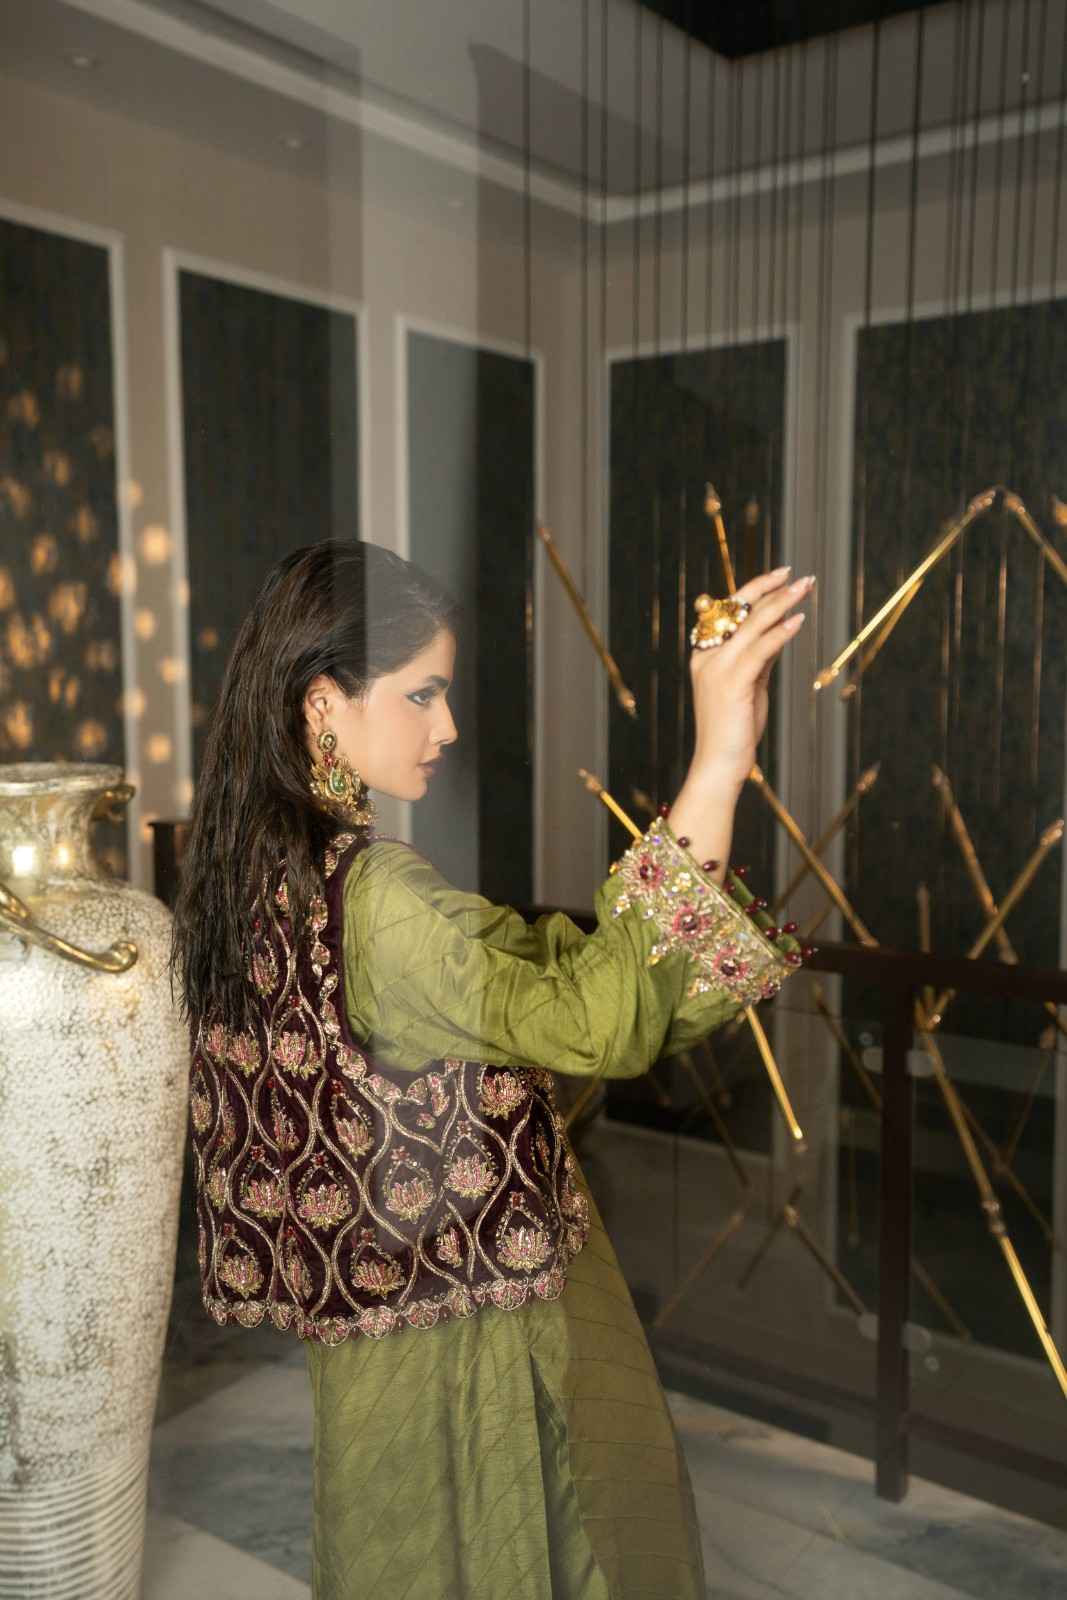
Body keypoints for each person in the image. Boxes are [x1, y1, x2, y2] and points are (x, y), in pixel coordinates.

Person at [170, 538, 811, 1600]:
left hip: (376, 1341)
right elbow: (600, 1021)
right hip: (468, 1335)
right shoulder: (375, 899)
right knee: (524, 1552)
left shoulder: (256, 873)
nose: (449, 728)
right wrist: (718, 762)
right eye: (421, 694)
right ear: (323, 703)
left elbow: (560, 994)